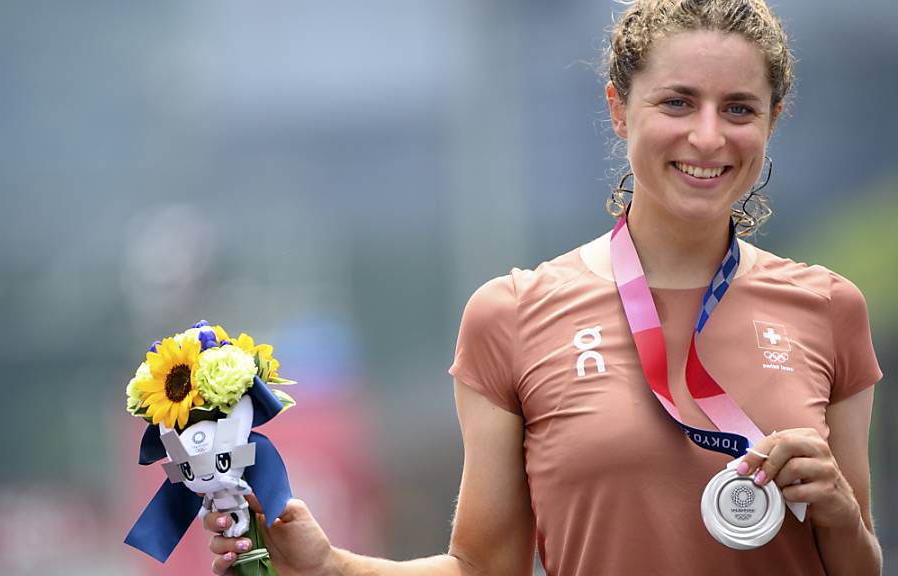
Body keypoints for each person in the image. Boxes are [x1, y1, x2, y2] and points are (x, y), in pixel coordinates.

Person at [205, 1, 884, 574]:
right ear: (619, 110)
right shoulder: (513, 316)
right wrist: (327, 566)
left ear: (772, 119)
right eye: (677, 102)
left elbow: (859, 560)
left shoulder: (829, 310)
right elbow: (482, 567)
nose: (708, 136)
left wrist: (841, 514)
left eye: (739, 108)